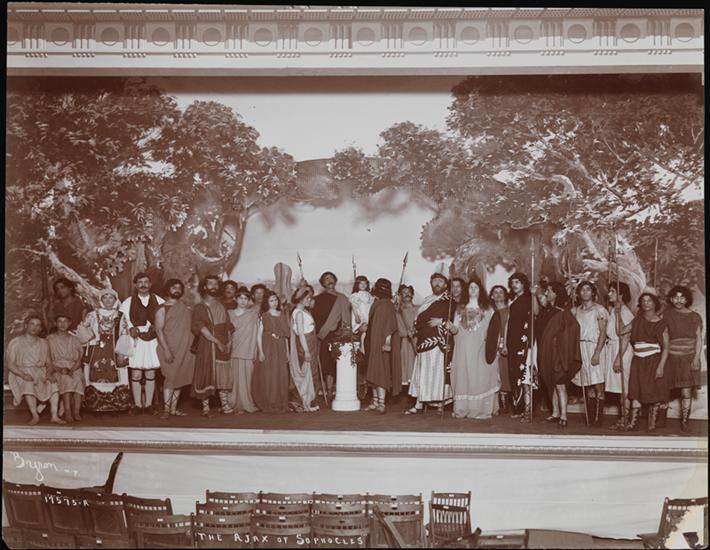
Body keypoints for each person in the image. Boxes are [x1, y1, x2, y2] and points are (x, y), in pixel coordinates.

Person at [450, 276, 499, 419]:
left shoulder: (488, 309)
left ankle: (481, 409)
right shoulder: (460, 309)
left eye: (475, 287)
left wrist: (492, 346)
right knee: (464, 375)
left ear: (480, 290)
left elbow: (494, 331)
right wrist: (450, 327)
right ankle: (463, 409)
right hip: (463, 349)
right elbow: (455, 329)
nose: (472, 290)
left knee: (480, 376)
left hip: (480, 348)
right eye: (470, 287)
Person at [405, 273, 456, 415]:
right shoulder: (427, 300)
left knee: (437, 374)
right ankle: (419, 403)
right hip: (423, 341)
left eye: (440, 281)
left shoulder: (450, 302)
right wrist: (414, 329)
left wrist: (442, 321)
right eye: (434, 281)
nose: (437, 283)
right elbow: (419, 319)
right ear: (431, 284)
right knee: (423, 373)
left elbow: (454, 320)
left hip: (439, 342)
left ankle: (441, 403)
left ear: (445, 284)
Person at [77, 288, 132, 413]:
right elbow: (82, 331)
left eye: (111, 297)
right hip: (95, 350)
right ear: (101, 300)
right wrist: (91, 338)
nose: (108, 300)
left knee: (117, 373)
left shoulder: (120, 315)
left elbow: (124, 334)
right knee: (94, 373)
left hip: (114, 350)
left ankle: (116, 404)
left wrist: (122, 353)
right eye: (105, 297)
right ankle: (95, 404)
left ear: (115, 300)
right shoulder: (92, 315)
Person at [536, 282, 581, 429]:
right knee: (553, 384)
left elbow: (574, 329)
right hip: (547, 353)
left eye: (549, 291)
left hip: (558, 355)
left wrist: (559, 341)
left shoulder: (563, 312)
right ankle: (555, 413)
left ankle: (564, 416)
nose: (546, 293)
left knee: (560, 385)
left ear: (556, 294)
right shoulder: (548, 311)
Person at [120, 272, 165, 415]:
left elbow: (165, 317)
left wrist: (157, 326)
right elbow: (124, 319)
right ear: (135, 285)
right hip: (136, 339)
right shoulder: (128, 302)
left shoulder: (159, 300)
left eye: (146, 282)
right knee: (136, 373)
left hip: (153, 340)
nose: (143, 285)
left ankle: (149, 405)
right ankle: (138, 405)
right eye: (140, 282)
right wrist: (130, 328)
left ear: (150, 284)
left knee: (151, 372)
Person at [625, 292, 670, 432]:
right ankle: (633, 423)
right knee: (635, 390)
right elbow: (621, 331)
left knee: (653, 391)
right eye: (643, 300)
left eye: (649, 300)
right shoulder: (637, 320)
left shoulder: (661, 323)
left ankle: (652, 424)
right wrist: (617, 311)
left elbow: (666, 347)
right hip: (638, 360)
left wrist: (661, 367)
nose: (646, 303)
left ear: (655, 303)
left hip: (653, 360)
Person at [6, 316, 63, 425]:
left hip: (40, 371)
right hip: (21, 372)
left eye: (38, 325)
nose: (34, 327)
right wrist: (23, 375)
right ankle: (35, 415)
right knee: (28, 384)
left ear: (40, 328)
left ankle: (54, 416)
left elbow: (49, 363)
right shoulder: (16, 342)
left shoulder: (44, 343)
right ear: (26, 325)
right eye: (32, 324)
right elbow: (11, 365)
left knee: (53, 383)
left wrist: (49, 373)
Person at [662, 285, 703, 432]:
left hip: (688, 358)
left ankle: (685, 421)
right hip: (670, 357)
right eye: (675, 297)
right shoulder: (666, 315)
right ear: (671, 299)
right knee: (663, 390)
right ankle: (660, 420)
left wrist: (696, 358)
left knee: (686, 392)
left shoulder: (695, 317)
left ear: (687, 299)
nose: (678, 300)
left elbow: (699, 339)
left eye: (682, 297)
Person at [191, 275, 232, 417]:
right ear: (204, 287)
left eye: (216, 284)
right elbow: (201, 329)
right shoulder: (199, 307)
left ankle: (225, 405)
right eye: (210, 284)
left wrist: (229, 343)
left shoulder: (221, 305)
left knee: (223, 374)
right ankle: (206, 408)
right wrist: (217, 342)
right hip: (208, 344)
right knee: (206, 373)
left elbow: (228, 326)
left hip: (224, 344)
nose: (214, 286)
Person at [155, 279, 195, 419]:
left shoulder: (185, 308)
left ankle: (173, 409)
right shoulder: (162, 308)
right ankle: (166, 410)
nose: (177, 290)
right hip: (168, 348)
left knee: (180, 378)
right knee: (170, 378)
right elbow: (159, 331)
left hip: (184, 348)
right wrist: (166, 351)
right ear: (168, 290)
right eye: (173, 287)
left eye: (179, 288)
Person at [571, 281, 609, 426]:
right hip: (581, 347)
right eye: (582, 290)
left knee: (597, 383)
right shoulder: (576, 311)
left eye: (588, 289)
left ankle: (598, 418)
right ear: (578, 293)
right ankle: (591, 418)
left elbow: (603, 333)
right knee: (587, 383)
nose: (585, 292)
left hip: (594, 347)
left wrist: (597, 353)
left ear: (593, 292)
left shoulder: (599, 310)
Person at [363, 278, 401, 414]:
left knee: (381, 372)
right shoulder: (377, 303)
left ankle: (381, 403)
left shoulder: (387, 304)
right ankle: (374, 401)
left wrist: (387, 343)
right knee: (372, 371)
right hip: (372, 341)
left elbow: (390, 326)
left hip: (381, 343)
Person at [312, 271, 352, 399]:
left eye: (331, 278)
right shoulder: (317, 299)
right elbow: (315, 318)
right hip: (324, 335)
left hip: (339, 336)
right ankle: (325, 388)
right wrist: (320, 333)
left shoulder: (343, 298)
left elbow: (347, 318)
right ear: (322, 283)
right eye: (326, 279)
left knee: (334, 363)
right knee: (324, 362)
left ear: (335, 281)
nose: (329, 280)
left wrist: (344, 333)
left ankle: (331, 389)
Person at [253, 291, 291, 413]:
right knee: (269, 375)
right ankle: (269, 401)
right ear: (267, 302)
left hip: (281, 347)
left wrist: (287, 352)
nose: (274, 303)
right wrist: (261, 352)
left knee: (281, 374)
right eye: (271, 301)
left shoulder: (282, 315)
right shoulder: (264, 316)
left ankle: (280, 402)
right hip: (268, 347)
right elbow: (258, 336)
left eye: (275, 300)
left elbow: (286, 336)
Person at [605, 282, 635, 431]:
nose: (609, 294)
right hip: (613, 349)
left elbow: (623, 335)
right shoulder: (613, 310)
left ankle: (625, 420)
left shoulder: (625, 312)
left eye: (612, 291)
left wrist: (618, 359)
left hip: (622, 351)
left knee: (625, 389)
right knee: (619, 389)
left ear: (621, 294)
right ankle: (623, 418)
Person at [505, 272, 535, 420]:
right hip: (512, 341)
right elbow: (509, 323)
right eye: (512, 283)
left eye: (517, 282)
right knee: (514, 373)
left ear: (524, 284)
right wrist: (505, 343)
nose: (514, 285)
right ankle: (518, 408)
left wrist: (534, 295)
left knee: (524, 374)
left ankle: (527, 409)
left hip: (524, 341)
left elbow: (535, 313)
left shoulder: (529, 299)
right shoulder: (513, 301)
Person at [47, 314, 84, 423]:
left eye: (65, 321)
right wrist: (59, 369)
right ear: (55, 323)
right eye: (60, 321)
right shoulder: (50, 339)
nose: (62, 324)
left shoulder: (74, 339)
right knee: (66, 379)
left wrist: (72, 370)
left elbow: (79, 359)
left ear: (69, 324)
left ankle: (76, 411)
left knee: (78, 378)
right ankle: (68, 412)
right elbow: (47, 359)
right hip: (56, 367)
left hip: (73, 367)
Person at [228, 286, 259, 413]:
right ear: (235, 299)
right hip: (234, 348)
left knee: (247, 378)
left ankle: (246, 403)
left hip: (248, 350)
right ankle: (233, 403)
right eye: (240, 298)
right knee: (234, 378)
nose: (243, 301)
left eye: (246, 298)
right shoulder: (229, 313)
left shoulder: (253, 314)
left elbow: (256, 332)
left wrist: (256, 350)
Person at [289, 286, 319, 412]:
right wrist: (306, 351)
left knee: (311, 371)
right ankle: (303, 401)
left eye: (310, 298)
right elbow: (301, 333)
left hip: (310, 341)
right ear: (300, 299)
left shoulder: (304, 311)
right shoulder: (299, 313)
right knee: (308, 372)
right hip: (305, 343)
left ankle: (308, 400)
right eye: (307, 298)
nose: (309, 300)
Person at [486, 285, 512, 414]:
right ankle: (499, 404)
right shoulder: (489, 312)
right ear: (491, 296)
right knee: (497, 374)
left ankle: (509, 403)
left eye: (501, 292)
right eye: (495, 292)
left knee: (506, 373)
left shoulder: (510, 310)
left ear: (505, 295)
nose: (498, 294)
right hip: (493, 348)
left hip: (507, 346)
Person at [396, 285, 417, 387]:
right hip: (405, 342)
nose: (407, 294)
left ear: (412, 294)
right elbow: (398, 327)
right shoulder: (398, 311)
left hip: (417, 340)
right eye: (404, 292)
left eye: (409, 292)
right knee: (405, 364)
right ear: (400, 295)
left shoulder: (419, 309)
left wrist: (415, 331)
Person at [350, 275, 374, 351]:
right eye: (361, 283)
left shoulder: (369, 295)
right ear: (357, 285)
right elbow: (354, 307)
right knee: (362, 335)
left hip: (367, 315)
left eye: (365, 283)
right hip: (360, 316)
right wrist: (356, 316)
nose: (363, 285)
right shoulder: (355, 295)